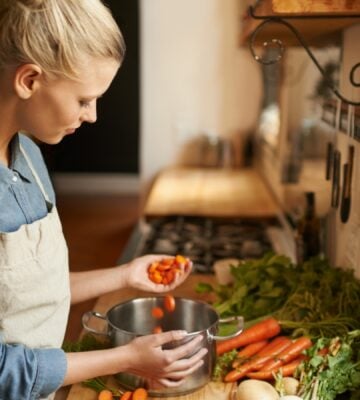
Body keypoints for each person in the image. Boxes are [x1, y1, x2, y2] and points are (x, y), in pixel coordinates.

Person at [0, 0, 208, 399]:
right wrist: (127, 357)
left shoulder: (28, 153)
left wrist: (126, 275)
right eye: (83, 100)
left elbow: (24, 292)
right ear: (28, 80)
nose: (93, 115)